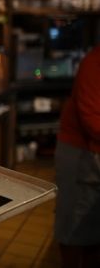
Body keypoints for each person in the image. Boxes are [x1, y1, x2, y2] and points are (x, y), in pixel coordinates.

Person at [55, 44, 100, 268]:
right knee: (74, 222)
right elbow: (91, 118)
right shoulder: (94, 62)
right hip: (80, 153)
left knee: (93, 225)